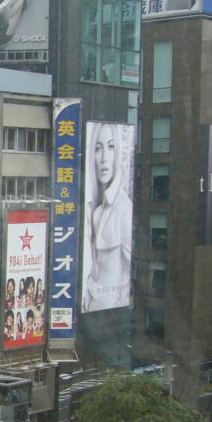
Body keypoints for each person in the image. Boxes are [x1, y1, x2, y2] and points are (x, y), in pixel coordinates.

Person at [83, 121, 134, 313]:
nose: (104, 157)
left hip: (111, 312)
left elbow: (133, 268)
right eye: (98, 148)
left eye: (111, 147)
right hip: (90, 306)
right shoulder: (95, 211)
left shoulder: (124, 210)